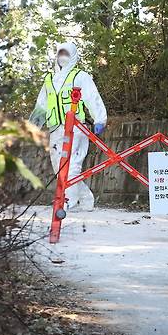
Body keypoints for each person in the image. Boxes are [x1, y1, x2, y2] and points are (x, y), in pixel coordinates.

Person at [29, 42, 107, 211]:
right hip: (55, 128)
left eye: (66, 53)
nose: (62, 57)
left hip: (77, 128)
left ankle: (68, 202)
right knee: (59, 167)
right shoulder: (49, 79)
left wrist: (100, 119)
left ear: (73, 55)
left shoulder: (80, 76)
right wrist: (34, 125)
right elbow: (42, 104)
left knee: (72, 165)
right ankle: (86, 201)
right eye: (60, 53)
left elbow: (92, 98)